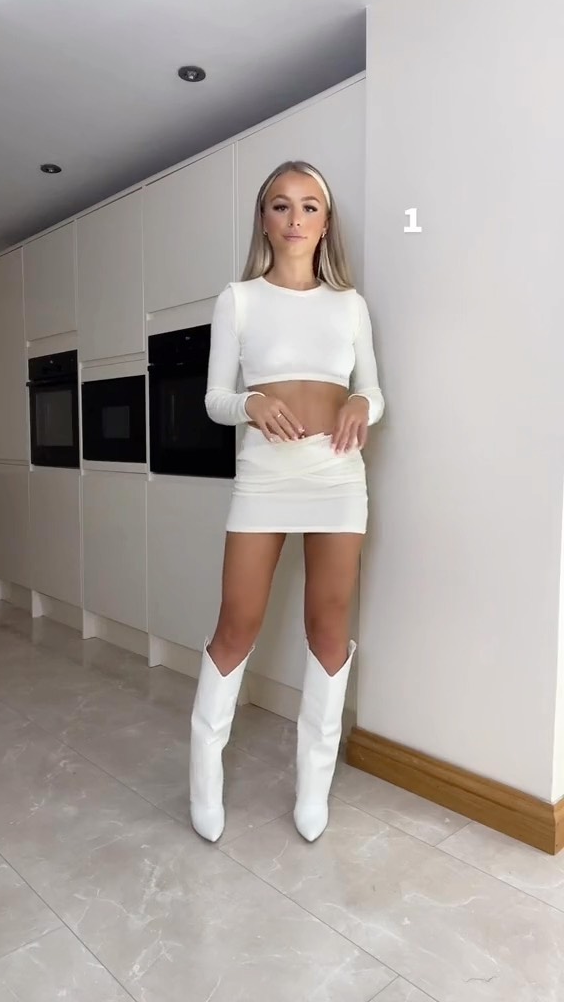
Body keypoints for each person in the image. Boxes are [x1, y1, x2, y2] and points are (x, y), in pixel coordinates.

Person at [189, 159, 385, 844]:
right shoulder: (238, 299)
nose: (295, 218)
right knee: (235, 625)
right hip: (265, 475)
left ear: (325, 223)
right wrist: (251, 402)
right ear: (265, 220)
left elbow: (373, 390)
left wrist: (361, 402)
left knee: (328, 628)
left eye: (309, 206)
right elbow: (215, 399)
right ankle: (204, 783)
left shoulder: (349, 304)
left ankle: (313, 789)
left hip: (337, 476)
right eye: (281, 205)